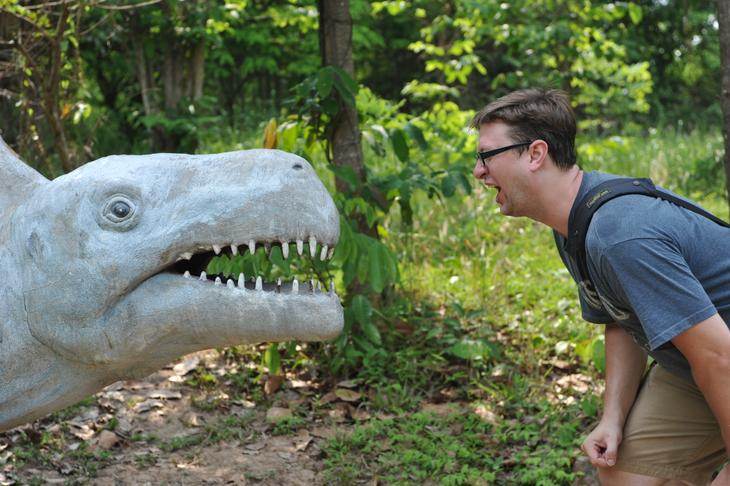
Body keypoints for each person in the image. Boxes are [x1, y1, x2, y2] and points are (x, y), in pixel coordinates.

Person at [471, 88, 730, 485]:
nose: (479, 171)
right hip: (701, 364)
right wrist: (612, 418)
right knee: (624, 475)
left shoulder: (620, 235)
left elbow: (718, 357)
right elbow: (622, 319)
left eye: (487, 156)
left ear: (535, 154)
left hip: (719, 358)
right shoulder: (574, 225)